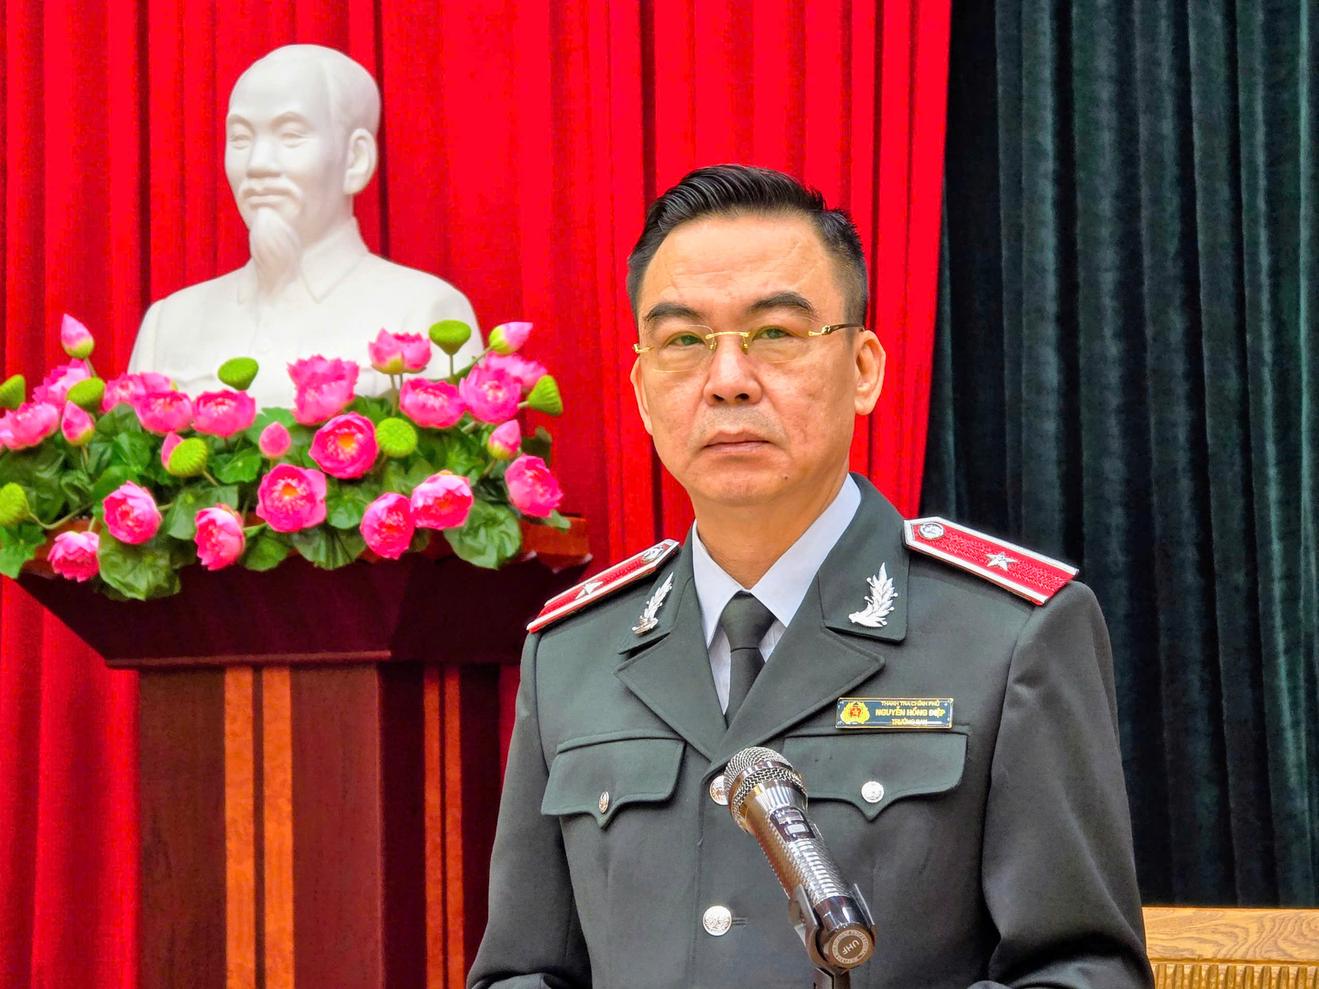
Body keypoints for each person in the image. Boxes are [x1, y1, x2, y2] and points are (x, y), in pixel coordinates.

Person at [467, 165, 1153, 988]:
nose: (728, 380)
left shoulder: (1006, 635)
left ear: (862, 368)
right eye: (683, 341)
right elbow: (522, 970)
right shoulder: (573, 650)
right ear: (643, 391)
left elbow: (1084, 969)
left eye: (775, 333)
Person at [128, 44, 482, 407]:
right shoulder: (169, 324)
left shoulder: (426, 313)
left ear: (355, 159)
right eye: (241, 138)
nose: (257, 164)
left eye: (291, 135)